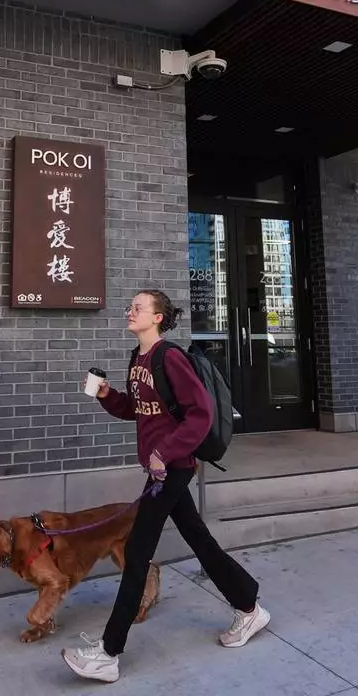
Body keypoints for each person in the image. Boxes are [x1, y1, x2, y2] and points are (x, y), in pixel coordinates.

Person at [62, 289, 270, 683]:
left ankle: (108, 653)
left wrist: (164, 453)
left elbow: (200, 414)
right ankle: (248, 607)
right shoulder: (137, 359)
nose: (130, 311)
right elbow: (138, 410)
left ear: (157, 317)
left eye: (138, 308)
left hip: (172, 467)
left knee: (137, 552)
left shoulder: (169, 357)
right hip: (160, 468)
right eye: (130, 307)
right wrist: (107, 395)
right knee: (198, 539)